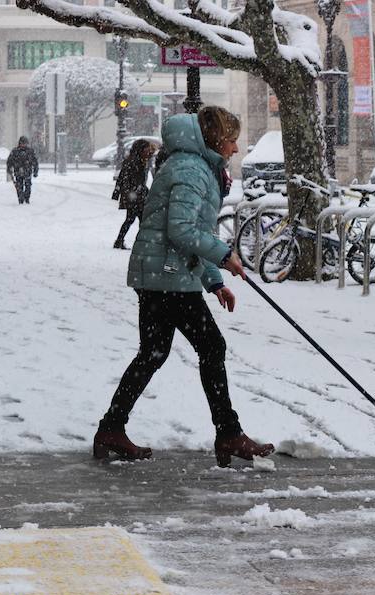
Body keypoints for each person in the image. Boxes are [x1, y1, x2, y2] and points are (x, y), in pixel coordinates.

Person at [93, 106, 275, 467]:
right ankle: (228, 434)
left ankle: (111, 428)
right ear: (215, 139)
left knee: (154, 353)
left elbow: (192, 235)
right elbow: (182, 230)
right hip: (166, 277)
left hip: (164, 274)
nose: (236, 149)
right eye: (232, 140)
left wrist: (214, 281)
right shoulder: (191, 169)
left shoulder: (194, 166)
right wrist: (224, 255)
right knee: (211, 346)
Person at [112, 139, 158, 250]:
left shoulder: (140, 160)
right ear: (140, 149)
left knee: (132, 220)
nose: (148, 151)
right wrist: (128, 192)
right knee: (140, 220)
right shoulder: (133, 161)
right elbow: (124, 178)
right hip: (134, 196)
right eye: (146, 149)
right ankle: (143, 244)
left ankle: (121, 241)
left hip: (136, 195)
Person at [6, 136, 39, 205]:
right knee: (19, 186)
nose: (23, 145)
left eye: (25, 143)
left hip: (27, 172)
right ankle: (21, 199)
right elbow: (9, 161)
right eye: (22, 143)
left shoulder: (30, 151)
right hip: (18, 172)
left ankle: (26, 198)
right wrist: (9, 169)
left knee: (28, 186)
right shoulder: (15, 151)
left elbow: (35, 162)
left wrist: (35, 171)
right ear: (19, 143)